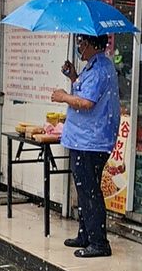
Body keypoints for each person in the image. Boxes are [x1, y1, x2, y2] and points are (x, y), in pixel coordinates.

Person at [51, 34, 120, 258]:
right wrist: (73, 76)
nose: (79, 47)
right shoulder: (94, 67)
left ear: (89, 44)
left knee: (90, 191)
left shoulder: (100, 69)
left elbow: (86, 102)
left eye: (81, 43)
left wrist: (63, 96)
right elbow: (84, 91)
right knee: (84, 188)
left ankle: (99, 243)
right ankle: (85, 234)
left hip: (91, 141)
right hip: (84, 139)